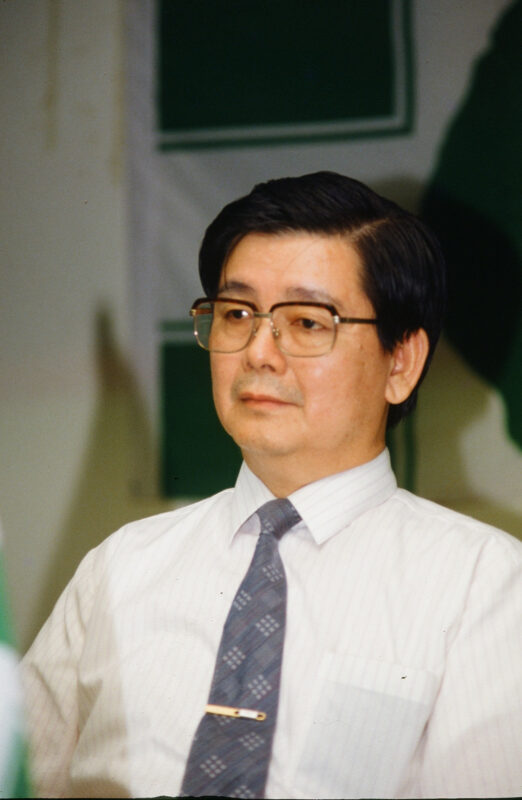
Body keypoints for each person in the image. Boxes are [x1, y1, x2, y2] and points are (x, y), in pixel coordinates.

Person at [21, 172, 521, 799]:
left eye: (307, 323)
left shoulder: (483, 585)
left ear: (401, 362)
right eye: (237, 314)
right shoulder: (121, 568)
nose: (259, 351)